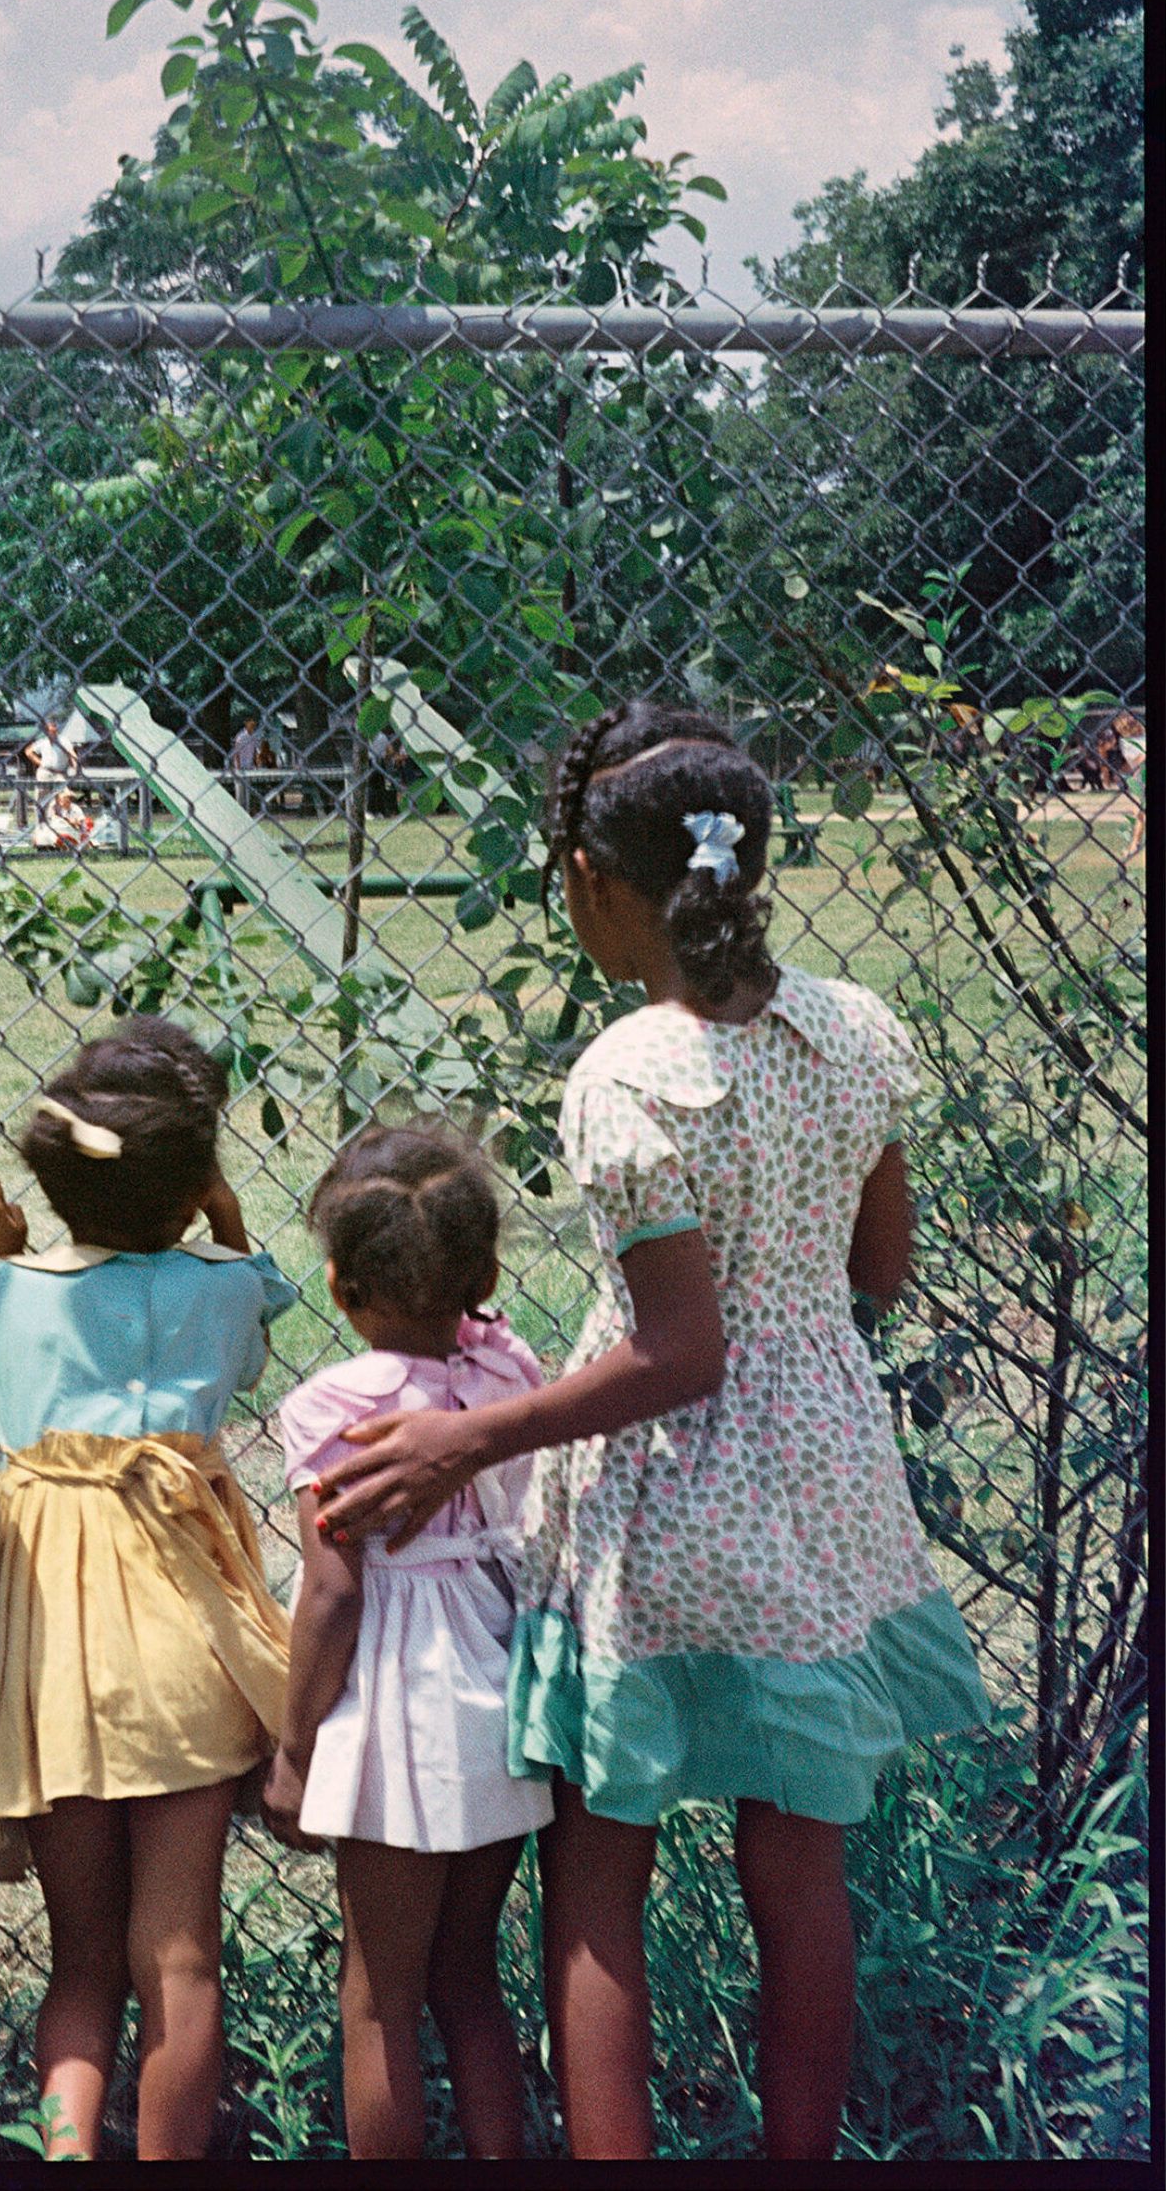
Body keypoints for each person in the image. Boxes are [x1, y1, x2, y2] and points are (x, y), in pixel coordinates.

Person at [313, 702, 992, 2161]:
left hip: (665, 1516)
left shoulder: (626, 1071)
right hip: (823, 1495)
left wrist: (466, 1445)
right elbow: (879, 1270)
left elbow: (680, 1355)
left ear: (591, 882)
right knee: (801, 1874)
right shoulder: (854, 1029)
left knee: (598, 1873)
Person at [0, 1020, 295, 2161]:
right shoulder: (224, 1286)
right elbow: (256, 1313)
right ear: (196, 1184)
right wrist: (223, 1223)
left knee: (80, 1961)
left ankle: (70, 2151)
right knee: (179, 1955)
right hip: (187, 1654)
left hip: (56, 1671)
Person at [262, 1127, 552, 2159]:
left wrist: (295, 1746)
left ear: (339, 1282)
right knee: (469, 1972)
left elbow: (336, 1591)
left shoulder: (334, 1406)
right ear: (484, 1273)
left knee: (379, 1996)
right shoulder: (510, 1368)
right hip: (497, 1673)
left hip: (400, 1703)